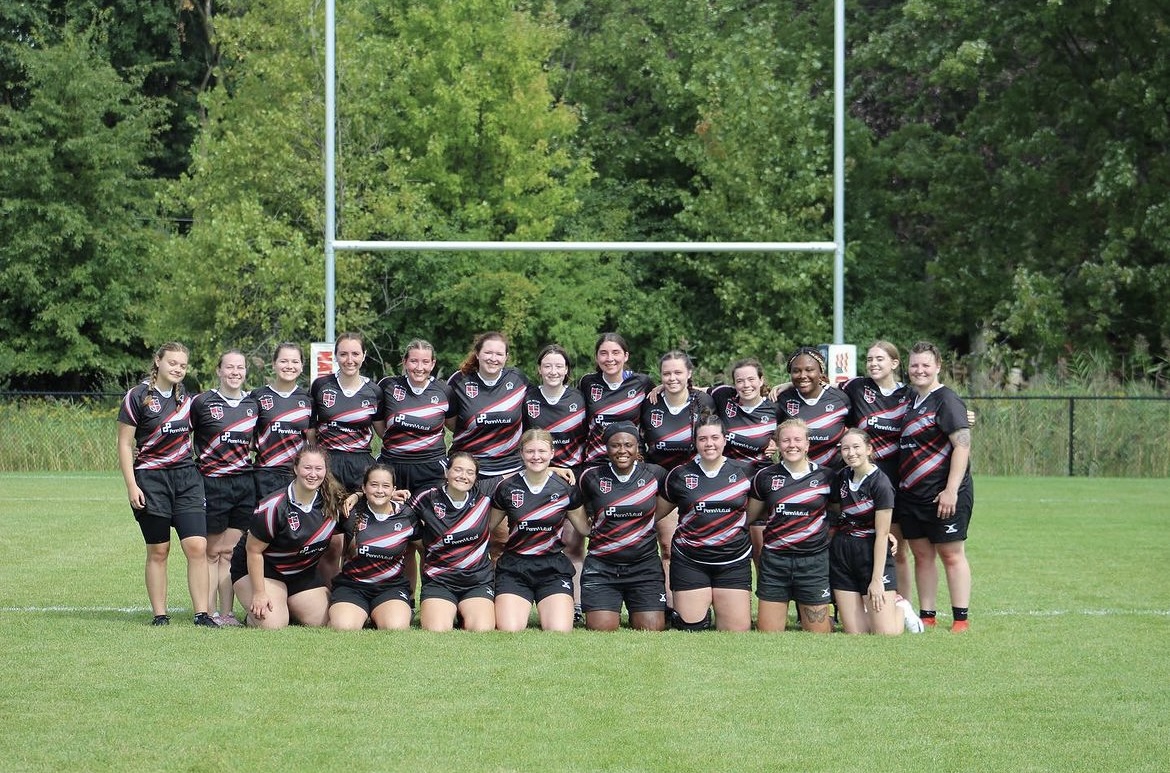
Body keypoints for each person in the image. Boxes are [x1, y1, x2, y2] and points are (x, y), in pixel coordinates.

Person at [116, 342, 218, 627]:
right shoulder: (136, 396)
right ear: (158, 361)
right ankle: (160, 615)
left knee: (197, 546)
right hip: (151, 481)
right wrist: (131, 485)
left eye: (183, 365)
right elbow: (125, 444)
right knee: (159, 551)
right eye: (172, 363)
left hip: (186, 479)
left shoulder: (188, 398)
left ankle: (202, 614)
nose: (177, 369)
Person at [898, 341, 974, 632]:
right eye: (915, 365)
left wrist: (951, 489)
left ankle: (961, 619)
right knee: (922, 555)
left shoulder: (946, 399)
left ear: (938, 367)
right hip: (913, 495)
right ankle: (927, 615)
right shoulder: (911, 400)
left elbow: (962, 446)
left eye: (925, 365)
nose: (919, 370)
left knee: (951, 555)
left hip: (944, 494)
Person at [230, 444, 345, 629]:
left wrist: (391, 498)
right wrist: (259, 593)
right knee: (272, 625)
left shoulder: (333, 502)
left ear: (325, 471)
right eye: (307, 468)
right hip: (263, 570)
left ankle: (286, 602)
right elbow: (253, 551)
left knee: (324, 621)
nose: (313, 474)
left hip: (301, 573)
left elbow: (367, 511)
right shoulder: (274, 506)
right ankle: (261, 612)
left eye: (318, 468)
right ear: (295, 468)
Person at [657, 412, 753, 632]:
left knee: (735, 633)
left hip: (732, 560)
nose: (709, 444)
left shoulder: (745, 471)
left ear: (725, 439)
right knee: (692, 629)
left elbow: (754, 512)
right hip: (690, 560)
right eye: (703, 439)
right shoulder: (680, 475)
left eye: (715, 438)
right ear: (695, 442)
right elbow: (655, 513)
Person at [491, 429, 590, 632]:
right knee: (510, 629)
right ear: (521, 453)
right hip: (515, 567)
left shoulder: (565, 488)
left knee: (559, 630)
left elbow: (585, 529)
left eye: (542, 451)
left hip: (552, 567)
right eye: (530, 451)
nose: (536, 456)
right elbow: (486, 527)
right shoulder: (506, 487)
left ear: (552, 453)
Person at [577, 422, 670, 631]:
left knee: (651, 629)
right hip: (602, 566)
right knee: (602, 629)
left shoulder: (655, 474)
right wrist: (586, 528)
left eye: (628, 445)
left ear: (637, 447)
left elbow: (670, 501)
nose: (622, 451)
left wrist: (647, 519)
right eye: (615, 445)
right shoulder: (591, 476)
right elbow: (574, 503)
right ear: (606, 448)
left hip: (644, 566)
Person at [841, 340, 913, 604]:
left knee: (898, 548)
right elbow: (818, 387)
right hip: (860, 479)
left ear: (894, 363)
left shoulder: (909, 394)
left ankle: (902, 603)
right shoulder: (857, 387)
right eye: (870, 359)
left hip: (896, 479)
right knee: (860, 541)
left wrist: (964, 414)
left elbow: (938, 408)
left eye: (880, 359)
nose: (873, 364)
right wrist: (783, 386)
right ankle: (857, 600)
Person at [189, 349, 258, 626]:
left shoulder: (253, 404)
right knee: (211, 552)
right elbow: (182, 434)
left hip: (243, 483)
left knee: (229, 552)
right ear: (218, 370)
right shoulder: (202, 402)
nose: (235, 372)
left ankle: (226, 613)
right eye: (229, 367)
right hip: (212, 483)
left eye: (240, 368)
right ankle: (207, 612)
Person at [641, 350, 713, 608]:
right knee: (667, 546)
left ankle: (698, 602)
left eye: (678, 372)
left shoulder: (703, 401)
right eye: (666, 373)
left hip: (697, 485)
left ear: (689, 374)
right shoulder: (649, 402)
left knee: (698, 544)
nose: (672, 378)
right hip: (662, 486)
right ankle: (669, 605)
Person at [747, 419, 834, 633]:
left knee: (818, 634)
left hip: (813, 561)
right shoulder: (765, 477)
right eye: (785, 440)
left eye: (797, 439)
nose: (791, 445)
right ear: (777, 444)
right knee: (768, 633)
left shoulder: (826, 476)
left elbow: (843, 513)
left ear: (807, 444)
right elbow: (748, 517)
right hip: (776, 560)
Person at [523, 344, 588, 620]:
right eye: (547, 366)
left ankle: (575, 605)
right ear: (539, 369)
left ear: (567, 371)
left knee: (573, 544)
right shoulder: (528, 398)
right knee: (533, 540)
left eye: (559, 366)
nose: (553, 371)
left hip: (571, 479)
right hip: (537, 476)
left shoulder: (580, 398)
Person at [407, 452, 496, 632]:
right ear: (446, 472)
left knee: (482, 629)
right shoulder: (426, 497)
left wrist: (551, 469)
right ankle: (448, 609)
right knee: (436, 629)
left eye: (470, 472)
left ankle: (465, 612)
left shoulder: (485, 494)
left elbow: (522, 473)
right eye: (458, 470)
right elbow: (398, 515)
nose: (463, 476)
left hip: (477, 581)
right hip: (440, 581)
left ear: (476, 478)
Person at [829, 429, 901, 635]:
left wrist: (877, 579)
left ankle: (902, 609)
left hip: (871, 552)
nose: (851, 453)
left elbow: (881, 534)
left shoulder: (881, 483)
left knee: (886, 633)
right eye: (845, 448)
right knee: (856, 632)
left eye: (856, 447)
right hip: (843, 551)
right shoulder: (842, 477)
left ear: (869, 449)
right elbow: (835, 510)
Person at [328, 464, 416, 631]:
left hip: (391, 587)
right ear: (364, 487)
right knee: (344, 627)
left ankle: (387, 611)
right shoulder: (349, 512)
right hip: (352, 586)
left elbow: (418, 552)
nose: (379, 490)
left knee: (395, 627)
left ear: (394, 489)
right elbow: (333, 553)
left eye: (386, 486)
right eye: (374, 485)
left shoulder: (408, 515)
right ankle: (355, 612)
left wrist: (411, 597)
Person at [446, 332, 529, 498]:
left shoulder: (518, 379)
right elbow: (450, 422)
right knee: (468, 522)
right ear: (477, 354)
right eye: (488, 353)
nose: (493, 358)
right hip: (469, 468)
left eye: (499, 354)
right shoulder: (459, 381)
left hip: (509, 468)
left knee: (503, 524)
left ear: (506, 357)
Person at [308, 332, 385, 494]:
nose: (349, 360)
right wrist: (318, 455)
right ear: (335, 356)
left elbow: (383, 432)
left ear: (364, 356)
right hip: (328, 460)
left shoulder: (374, 391)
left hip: (361, 463)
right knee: (327, 515)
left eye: (355, 354)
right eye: (343, 354)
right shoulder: (321, 386)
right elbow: (311, 429)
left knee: (356, 517)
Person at [377, 339, 454, 495]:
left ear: (433, 364)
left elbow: (454, 426)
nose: (419, 368)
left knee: (429, 515)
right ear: (405, 362)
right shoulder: (387, 386)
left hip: (431, 467)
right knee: (393, 516)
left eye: (425, 362)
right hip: (392, 465)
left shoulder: (444, 391)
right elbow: (378, 425)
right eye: (413, 361)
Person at [578, 333, 653, 469]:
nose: (610, 358)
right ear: (596, 357)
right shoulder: (587, 382)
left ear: (626, 356)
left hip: (632, 460)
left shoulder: (642, 383)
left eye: (616, 353)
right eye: (604, 353)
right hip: (597, 461)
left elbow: (668, 393)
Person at [775, 347, 852, 470]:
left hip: (834, 476)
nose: (803, 375)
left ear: (821, 372)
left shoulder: (840, 399)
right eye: (796, 371)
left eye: (809, 370)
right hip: (793, 479)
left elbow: (855, 432)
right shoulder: (781, 399)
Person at [253, 342, 312, 500]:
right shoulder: (257, 396)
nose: (289, 366)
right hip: (265, 475)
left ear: (301, 366)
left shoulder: (308, 399)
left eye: (295, 361)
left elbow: (312, 439)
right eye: (283, 361)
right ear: (274, 364)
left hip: (297, 475)